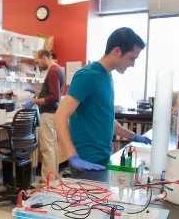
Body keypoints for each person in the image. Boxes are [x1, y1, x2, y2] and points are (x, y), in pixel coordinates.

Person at [54, 28, 151, 181]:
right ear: (117, 51)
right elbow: (60, 117)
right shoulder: (88, 75)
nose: (132, 64)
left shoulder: (107, 76)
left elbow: (105, 117)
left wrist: (133, 136)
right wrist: (73, 156)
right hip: (86, 162)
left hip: (103, 157)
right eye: (132, 58)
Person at [24, 50, 64, 184]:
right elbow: (50, 92)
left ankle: (47, 182)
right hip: (53, 113)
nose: (37, 65)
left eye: (37, 62)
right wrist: (36, 92)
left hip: (47, 114)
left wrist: (34, 101)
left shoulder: (53, 71)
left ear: (44, 58)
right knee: (52, 147)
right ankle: (52, 180)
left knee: (47, 149)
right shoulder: (58, 69)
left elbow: (54, 97)